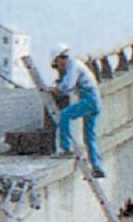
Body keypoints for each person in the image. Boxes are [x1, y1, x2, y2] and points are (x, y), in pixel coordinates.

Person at [47, 44, 106, 178]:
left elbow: (67, 86)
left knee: (64, 115)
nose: (58, 67)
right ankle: (97, 167)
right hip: (94, 100)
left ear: (60, 58)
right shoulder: (75, 64)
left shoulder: (72, 65)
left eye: (57, 63)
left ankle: (65, 148)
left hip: (88, 99)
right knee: (89, 137)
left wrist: (54, 89)